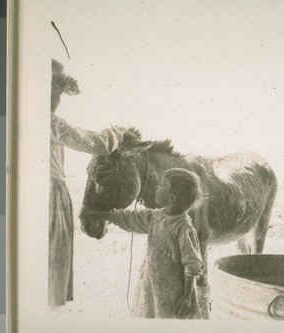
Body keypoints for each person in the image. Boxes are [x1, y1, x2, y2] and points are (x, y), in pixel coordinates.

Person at [49, 58, 126, 307]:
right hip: (50, 195)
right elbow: (98, 144)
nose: (56, 100)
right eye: (54, 92)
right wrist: (117, 132)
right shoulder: (53, 124)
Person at [80, 168, 204, 319]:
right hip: (152, 284)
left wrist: (186, 296)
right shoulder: (155, 217)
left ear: (172, 197)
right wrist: (96, 215)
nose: (157, 188)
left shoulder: (184, 228)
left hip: (173, 292)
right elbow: (128, 217)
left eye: (161, 186)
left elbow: (192, 265)